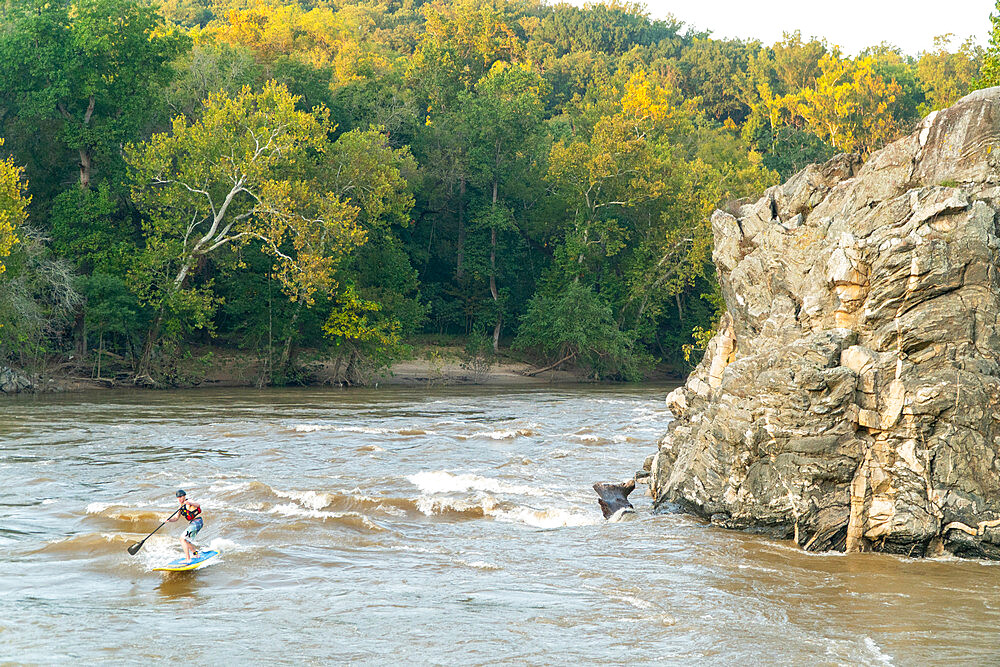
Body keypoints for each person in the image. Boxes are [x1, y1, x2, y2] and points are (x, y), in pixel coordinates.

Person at [166, 489, 203, 563]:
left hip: (197, 522)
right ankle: (195, 554)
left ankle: (188, 559)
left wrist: (189, 502)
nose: (179, 499)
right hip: (194, 523)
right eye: (178, 497)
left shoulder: (189, 501)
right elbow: (176, 518)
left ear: (184, 496)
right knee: (186, 540)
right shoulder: (180, 507)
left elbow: (198, 505)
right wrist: (169, 520)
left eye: (181, 497)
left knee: (182, 539)